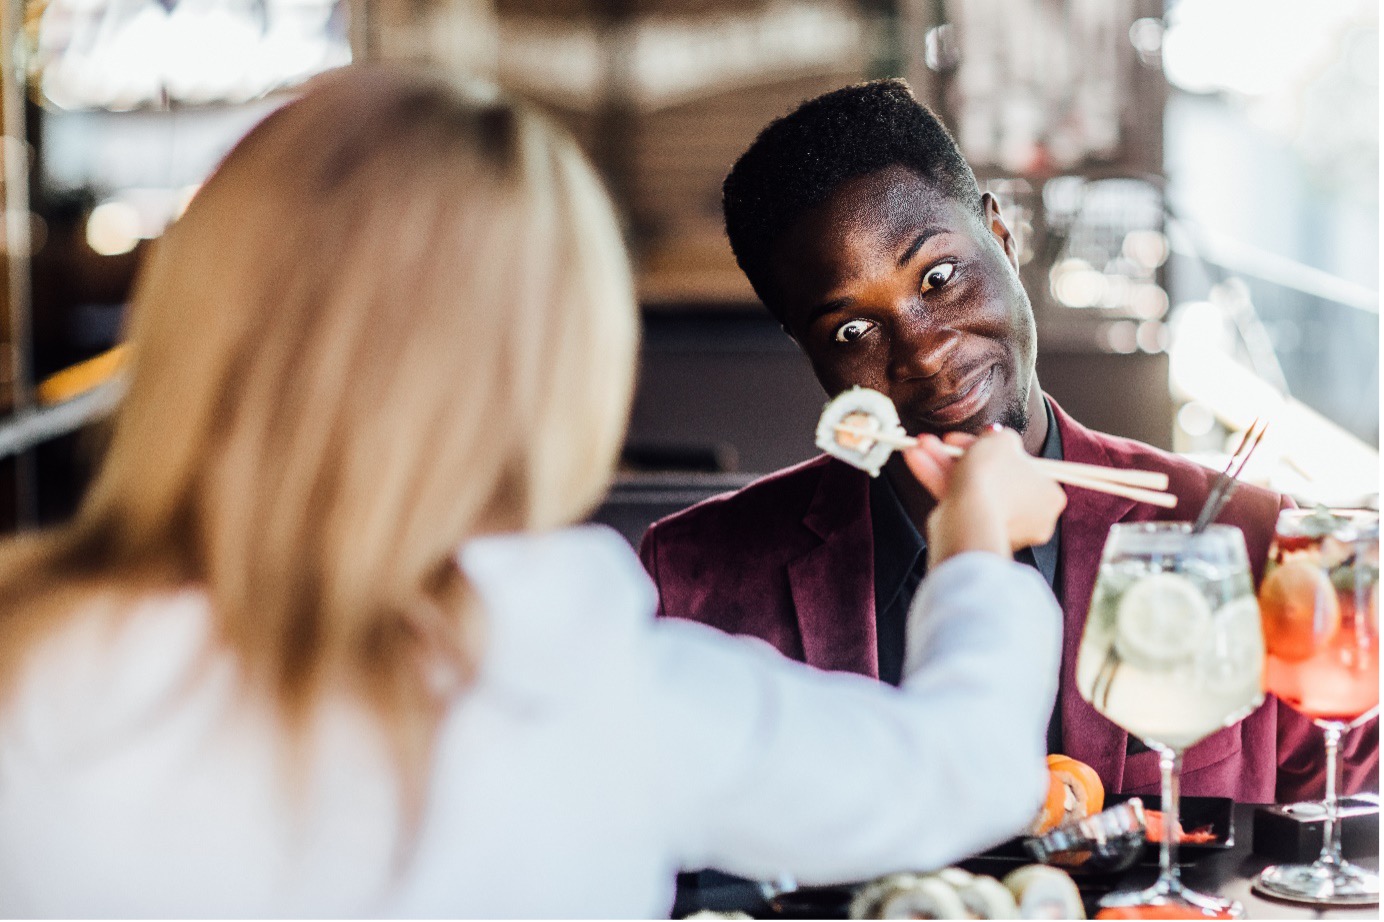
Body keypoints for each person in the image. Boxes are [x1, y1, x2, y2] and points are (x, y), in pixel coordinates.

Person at [0, 67, 1072, 917]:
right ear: (552, 359)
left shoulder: (28, 665)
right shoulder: (581, 679)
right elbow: (959, 773)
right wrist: (975, 542)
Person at [638, 78, 1377, 805]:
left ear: (1000, 234)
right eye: (852, 330)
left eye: (939, 276)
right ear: (806, 348)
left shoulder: (1243, 538)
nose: (922, 354)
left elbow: (1346, 836)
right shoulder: (695, 580)